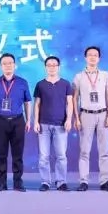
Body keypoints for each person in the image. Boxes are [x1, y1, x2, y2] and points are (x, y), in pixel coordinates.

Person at [72, 46, 108, 192]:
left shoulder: (105, 75)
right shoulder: (79, 76)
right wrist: (77, 118)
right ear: (85, 58)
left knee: (104, 151)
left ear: (99, 58)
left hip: (103, 114)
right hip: (86, 115)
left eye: (95, 55)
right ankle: (83, 181)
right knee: (84, 151)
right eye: (90, 55)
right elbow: (75, 98)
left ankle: (105, 181)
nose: (92, 57)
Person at [0, 53, 31, 192]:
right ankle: (1, 183)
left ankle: (18, 182)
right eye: (4, 63)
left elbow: (27, 102)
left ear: (14, 65)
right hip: (0, 121)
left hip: (18, 120)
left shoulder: (22, 82)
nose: (8, 66)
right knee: (1, 154)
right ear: (1, 66)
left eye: (10, 63)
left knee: (18, 154)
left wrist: (28, 120)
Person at [33, 56, 73, 192]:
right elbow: (37, 104)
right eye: (49, 65)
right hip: (43, 124)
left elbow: (69, 103)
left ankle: (61, 182)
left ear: (59, 67)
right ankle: (45, 182)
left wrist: (69, 119)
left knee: (61, 155)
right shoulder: (40, 84)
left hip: (61, 124)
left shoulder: (65, 84)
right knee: (44, 156)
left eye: (54, 65)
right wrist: (35, 121)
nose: (52, 67)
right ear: (45, 67)